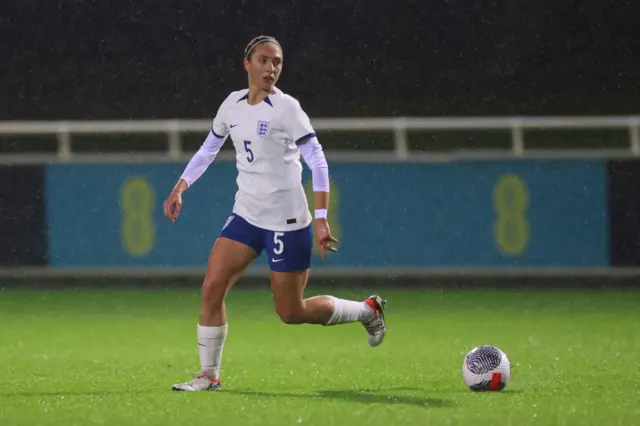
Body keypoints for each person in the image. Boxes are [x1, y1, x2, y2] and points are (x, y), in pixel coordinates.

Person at [164, 35, 387, 392]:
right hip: (247, 216)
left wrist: (321, 216)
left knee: (291, 312)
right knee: (212, 286)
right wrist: (180, 186)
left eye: (278, 62)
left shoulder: (287, 109)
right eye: (264, 60)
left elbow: (317, 159)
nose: (271, 68)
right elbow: (209, 148)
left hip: (287, 222)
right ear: (247, 64)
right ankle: (208, 376)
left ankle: (367, 311)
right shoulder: (232, 105)